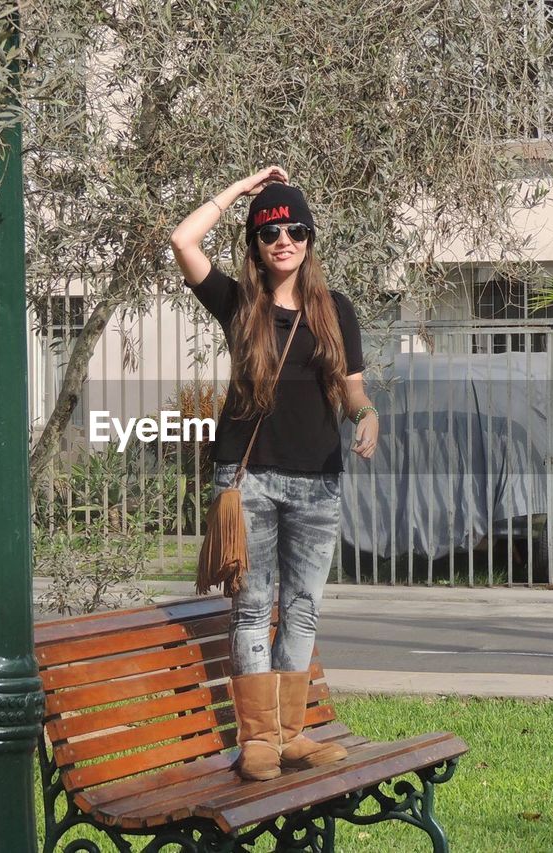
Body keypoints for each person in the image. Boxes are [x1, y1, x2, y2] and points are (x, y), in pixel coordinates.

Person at [169, 166, 380, 781]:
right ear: (256, 245)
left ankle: (292, 735)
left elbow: (353, 391)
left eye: (294, 228)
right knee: (253, 607)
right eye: (269, 232)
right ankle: (258, 740)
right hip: (250, 479)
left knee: (305, 606)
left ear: (310, 237)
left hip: (317, 480)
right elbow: (184, 241)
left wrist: (366, 416)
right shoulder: (238, 304)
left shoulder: (335, 310)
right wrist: (241, 189)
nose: (283, 239)